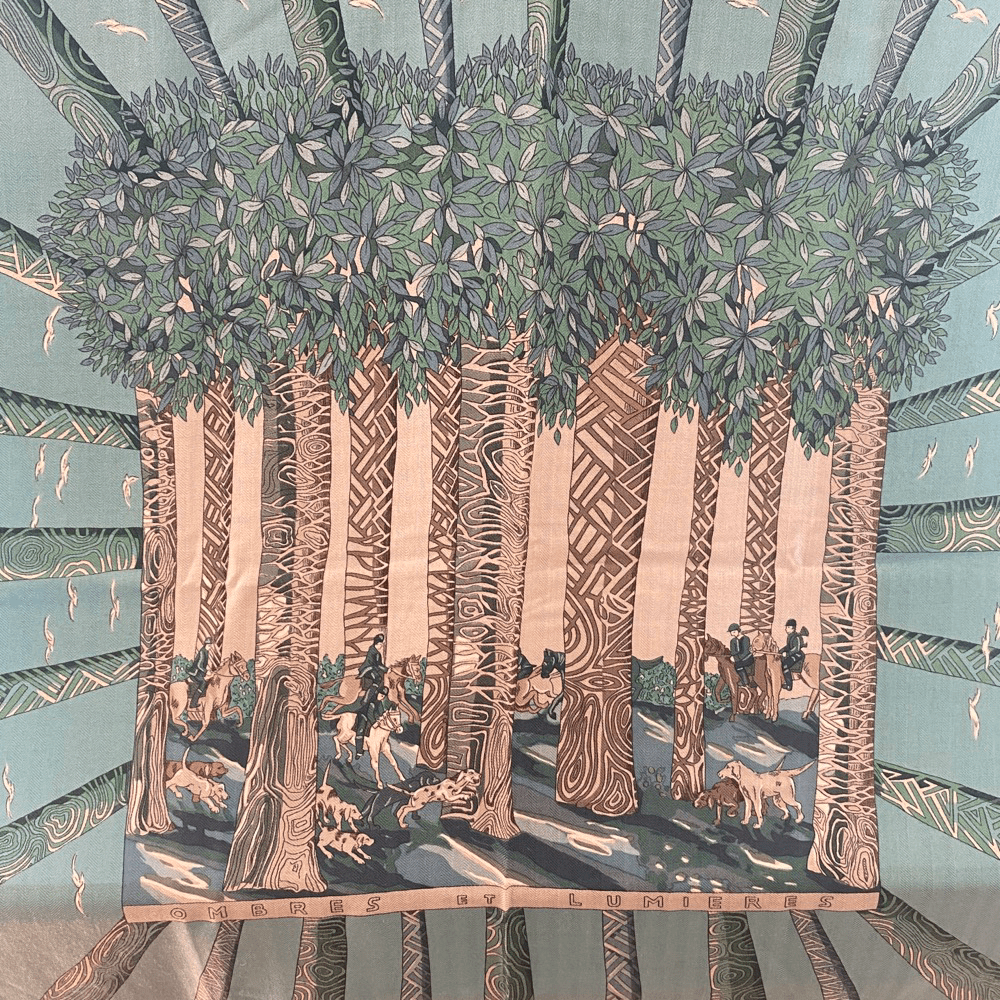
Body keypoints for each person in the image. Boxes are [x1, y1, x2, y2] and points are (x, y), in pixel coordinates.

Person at [354, 634, 387, 758]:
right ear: (376, 643)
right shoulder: (373, 651)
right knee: (377, 680)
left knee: (380, 679)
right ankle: (358, 751)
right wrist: (386, 669)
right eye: (380, 644)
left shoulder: (377, 652)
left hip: (374, 669)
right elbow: (376, 665)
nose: (381, 646)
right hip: (368, 670)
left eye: (381, 644)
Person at [188, 635, 214, 711]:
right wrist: (206, 671)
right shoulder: (202, 652)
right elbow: (199, 665)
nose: (210, 647)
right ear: (206, 645)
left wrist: (208, 669)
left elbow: (203, 664)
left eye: (210, 646)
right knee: (203, 682)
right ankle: (193, 703)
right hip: (195, 673)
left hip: (199, 672)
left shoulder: (205, 651)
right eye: (209, 645)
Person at [727, 623, 757, 688]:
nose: (732, 634)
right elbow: (733, 651)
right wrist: (732, 656)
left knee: (738, 665)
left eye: (734, 632)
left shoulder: (746, 639)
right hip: (737, 658)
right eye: (731, 633)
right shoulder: (733, 641)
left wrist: (736, 658)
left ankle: (745, 681)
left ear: (738, 631)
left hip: (747, 657)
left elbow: (745, 652)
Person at [779, 619, 805, 690]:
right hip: (792, 654)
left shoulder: (797, 637)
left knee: (785, 665)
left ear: (792, 628)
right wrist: (780, 651)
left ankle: (789, 685)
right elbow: (788, 646)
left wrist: (787, 654)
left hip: (798, 655)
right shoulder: (790, 636)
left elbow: (796, 649)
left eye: (787, 627)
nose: (786, 629)